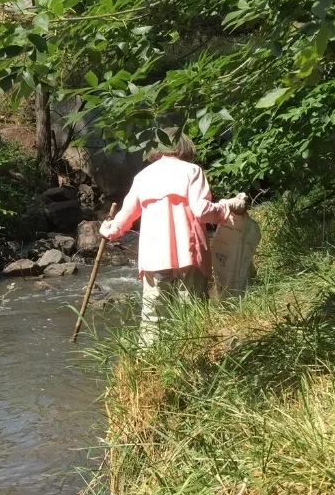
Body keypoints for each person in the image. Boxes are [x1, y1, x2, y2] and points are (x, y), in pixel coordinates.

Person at [99, 133, 246, 344]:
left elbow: (126, 216)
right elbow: (202, 210)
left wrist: (109, 230)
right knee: (192, 312)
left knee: (152, 318)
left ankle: (148, 366)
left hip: (154, 255)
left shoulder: (143, 176)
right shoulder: (192, 171)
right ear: (183, 147)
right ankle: (195, 357)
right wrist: (227, 207)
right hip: (190, 252)